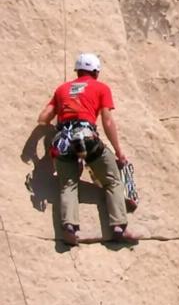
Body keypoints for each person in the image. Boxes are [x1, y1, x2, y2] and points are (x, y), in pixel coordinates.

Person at [37, 52, 136, 245]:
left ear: (78, 71)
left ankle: (69, 229)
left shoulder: (62, 89)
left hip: (63, 142)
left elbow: (42, 119)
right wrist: (119, 152)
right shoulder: (101, 88)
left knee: (68, 184)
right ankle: (119, 226)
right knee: (112, 180)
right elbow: (107, 121)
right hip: (86, 139)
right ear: (96, 72)